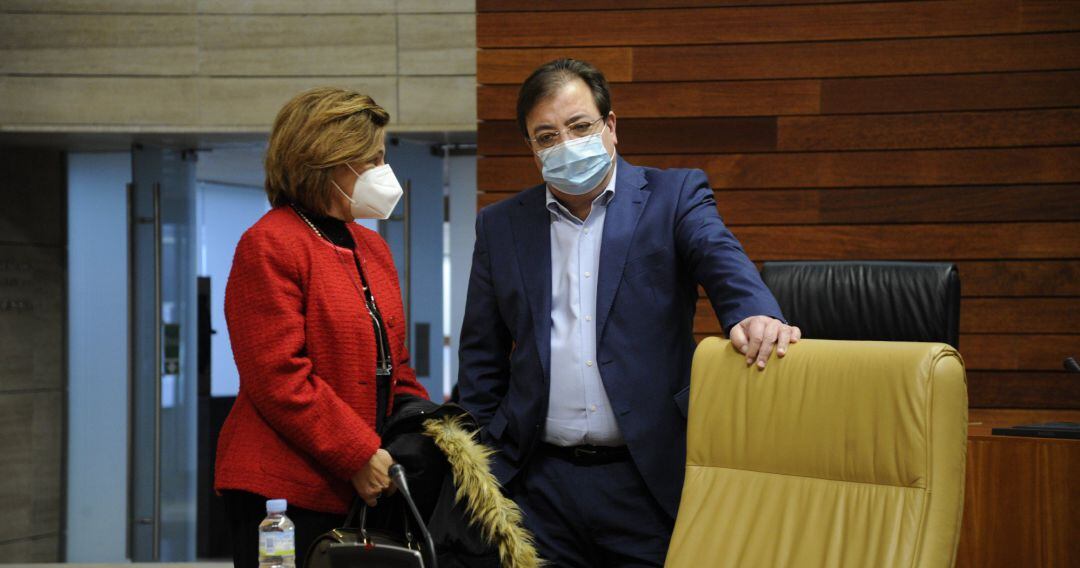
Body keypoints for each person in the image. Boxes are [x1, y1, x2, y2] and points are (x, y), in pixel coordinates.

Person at [457, 58, 801, 567]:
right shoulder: (501, 225)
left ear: (611, 127)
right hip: (537, 485)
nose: (566, 144)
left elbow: (720, 257)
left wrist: (752, 311)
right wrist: (494, 467)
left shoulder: (672, 196)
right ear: (531, 148)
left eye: (579, 127)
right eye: (546, 136)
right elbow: (480, 358)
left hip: (646, 477)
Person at [215, 87, 428, 567]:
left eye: (381, 158)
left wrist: (419, 436)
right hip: (284, 493)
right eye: (370, 160)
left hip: (367, 483)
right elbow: (278, 378)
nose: (383, 172)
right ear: (328, 162)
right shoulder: (269, 243)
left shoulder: (372, 248)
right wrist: (357, 455)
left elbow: (396, 367)